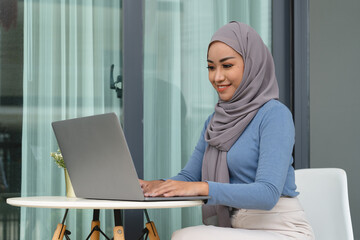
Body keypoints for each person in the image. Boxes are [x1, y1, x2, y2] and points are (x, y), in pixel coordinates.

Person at [140, 21, 314, 240]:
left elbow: (268, 193)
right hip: (237, 229)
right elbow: (189, 177)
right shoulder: (215, 121)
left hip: (281, 229)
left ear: (251, 65)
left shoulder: (274, 115)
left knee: (186, 237)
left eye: (227, 66)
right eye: (211, 67)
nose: (217, 77)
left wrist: (202, 188)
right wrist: (157, 186)